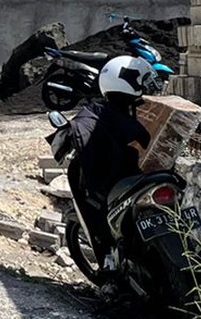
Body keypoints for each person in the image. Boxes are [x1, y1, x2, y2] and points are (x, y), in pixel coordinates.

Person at [64, 55, 156, 259]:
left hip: (117, 187)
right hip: (143, 180)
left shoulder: (94, 117)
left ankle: (109, 260)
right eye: (140, 80)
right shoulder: (134, 116)